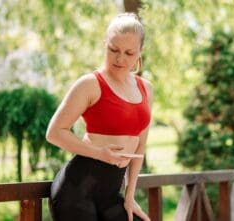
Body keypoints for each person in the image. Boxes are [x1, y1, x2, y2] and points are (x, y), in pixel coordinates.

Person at [46, 13, 152, 221]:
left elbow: (140, 144)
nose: (120, 59)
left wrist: (130, 196)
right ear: (105, 44)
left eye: (129, 53)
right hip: (76, 191)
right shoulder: (89, 84)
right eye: (113, 49)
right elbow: (54, 133)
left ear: (140, 52)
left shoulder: (146, 88)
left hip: (111, 193)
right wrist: (100, 153)